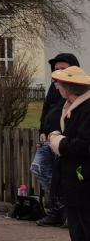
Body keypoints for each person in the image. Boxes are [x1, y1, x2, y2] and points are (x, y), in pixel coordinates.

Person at [45, 65, 90, 241]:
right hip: (72, 178)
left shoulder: (87, 109)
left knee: (86, 227)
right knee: (76, 228)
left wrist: (59, 142)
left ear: (69, 87)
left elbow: (83, 144)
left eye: (59, 83)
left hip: (84, 178)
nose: (57, 87)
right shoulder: (70, 106)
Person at [36, 52, 78, 227]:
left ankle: (64, 210)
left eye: (63, 68)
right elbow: (47, 109)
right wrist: (42, 130)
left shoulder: (78, 88)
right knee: (39, 168)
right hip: (48, 138)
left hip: (64, 140)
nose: (59, 71)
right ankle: (58, 207)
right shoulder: (54, 87)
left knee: (63, 175)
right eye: (56, 69)